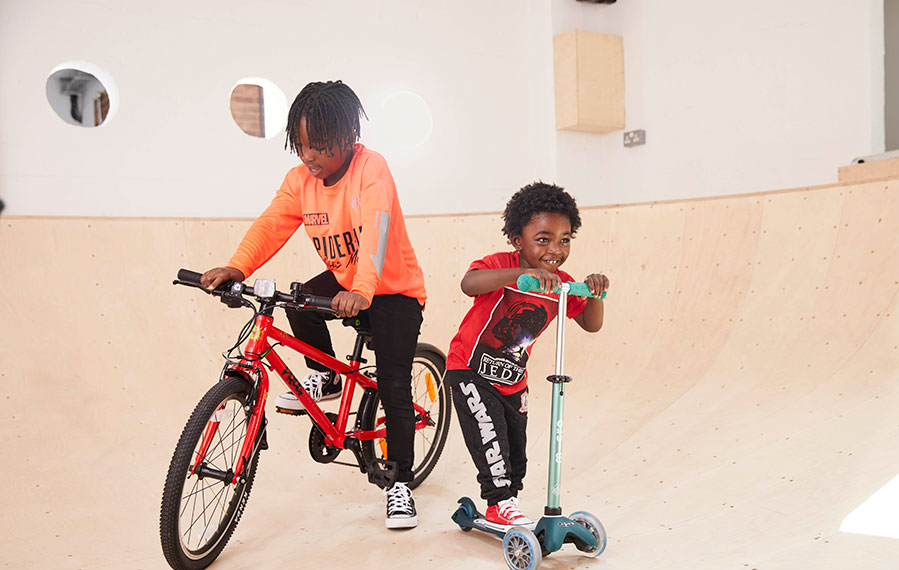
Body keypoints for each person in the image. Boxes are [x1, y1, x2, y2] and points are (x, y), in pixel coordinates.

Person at [200, 81, 426, 529]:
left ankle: (400, 482)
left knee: (393, 384)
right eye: (301, 145)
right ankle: (325, 377)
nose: (309, 156)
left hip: (393, 289)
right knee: (298, 300)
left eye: (319, 146)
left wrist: (363, 288)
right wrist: (237, 267)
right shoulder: (300, 182)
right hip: (348, 283)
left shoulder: (370, 169)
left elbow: (377, 227)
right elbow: (271, 224)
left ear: (346, 137)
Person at [445, 181, 609, 527]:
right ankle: (499, 501)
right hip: (470, 371)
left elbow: (591, 325)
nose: (556, 249)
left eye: (565, 239)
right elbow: (469, 283)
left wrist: (594, 292)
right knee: (489, 440)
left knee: (516, 450)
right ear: (518, 241)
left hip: (513, 379)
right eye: (543, 239)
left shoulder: (561, 282)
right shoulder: (502, 265)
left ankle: (506, 500)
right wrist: (522, 274)